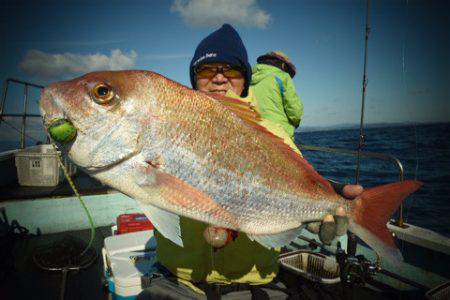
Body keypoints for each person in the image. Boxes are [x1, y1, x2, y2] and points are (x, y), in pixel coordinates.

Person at [139, 24, 362, 300]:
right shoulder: (167, 124)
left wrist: (320, 205)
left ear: (245, 79)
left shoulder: (276, 134)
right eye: (207, 70)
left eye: (231, 70)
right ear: (194, 79)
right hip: (176, 281)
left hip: (255, 286)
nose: (219, 79)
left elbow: (299, 182)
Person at [251, 51, 302, 142]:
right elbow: (295, 110)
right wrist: (296, 122)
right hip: (279, 136)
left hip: (254, 135)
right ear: (283, 65)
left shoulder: (250, 78)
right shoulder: (283, 77)